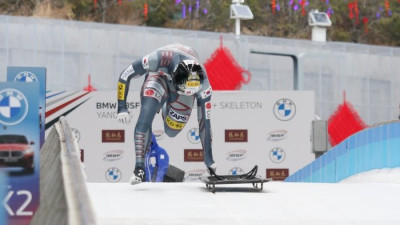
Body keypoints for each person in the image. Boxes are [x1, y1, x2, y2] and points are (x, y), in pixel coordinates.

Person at [116, 43, 216, 185]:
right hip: (159, 77)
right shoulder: (159, 58)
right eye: (183, 89)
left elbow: (205, 122)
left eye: (190, 92)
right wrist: (122, 107)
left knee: (171, 130)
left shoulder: (204, 86)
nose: (186, 92)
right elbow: (126, 74)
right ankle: (139, 168)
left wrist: (209, 159)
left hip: (179, 86)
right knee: (146, 116)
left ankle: (164, 106)